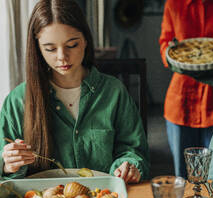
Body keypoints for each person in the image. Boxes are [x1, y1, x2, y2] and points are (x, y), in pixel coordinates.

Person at [0, 0, 149, 183]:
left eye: (72, 45)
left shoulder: (114, 92)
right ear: (38, 48)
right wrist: (9, 165)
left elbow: (134, 151)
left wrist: (128, 165)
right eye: (50, 49)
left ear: (86, 40)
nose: (62, 57)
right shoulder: (17, 101)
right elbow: (6, 177)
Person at [159, 0, 213, 178]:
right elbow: (165, 43)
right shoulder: (174, 4)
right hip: (182, 100)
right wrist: (173, 57)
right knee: (183, 175)